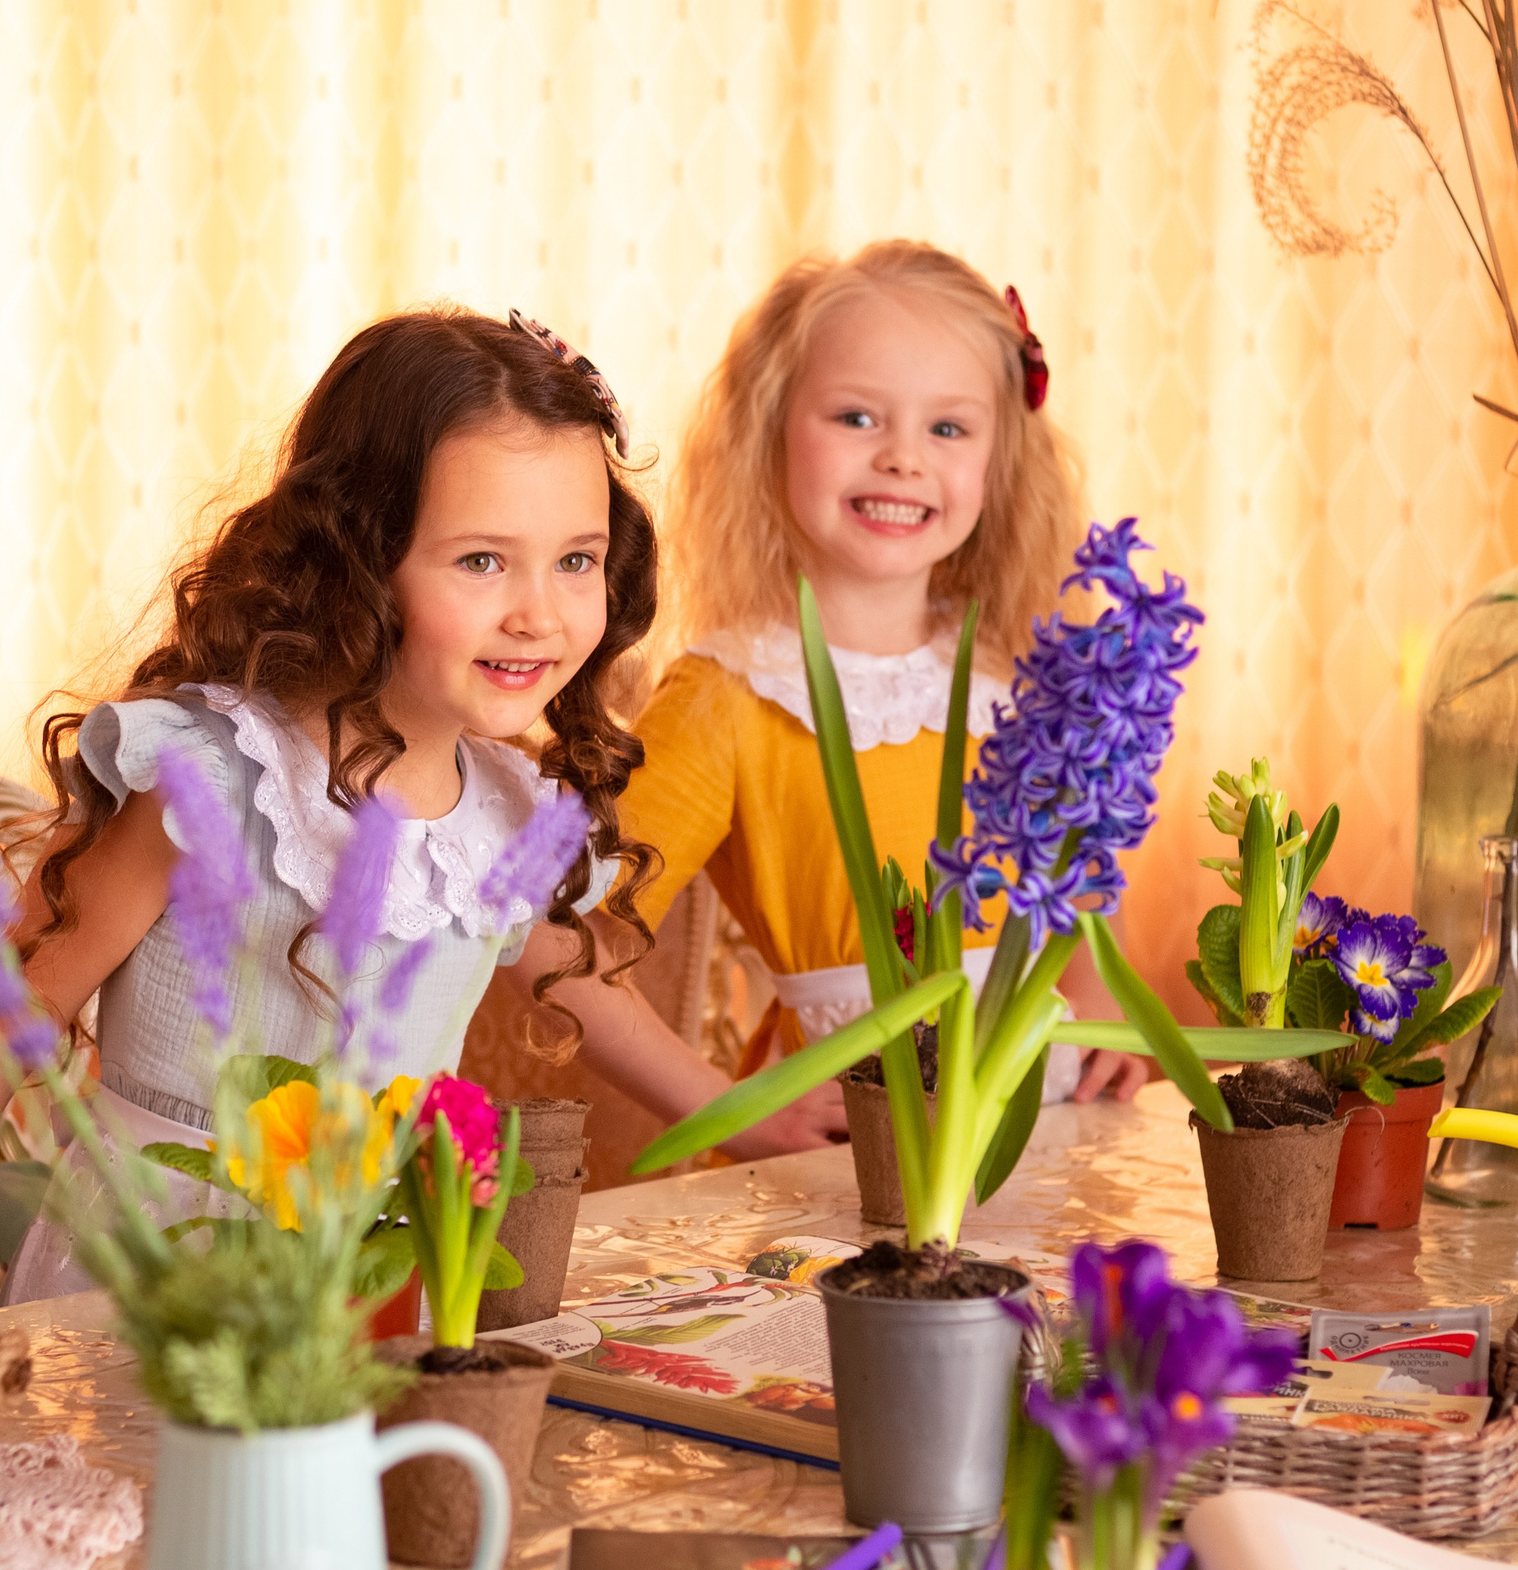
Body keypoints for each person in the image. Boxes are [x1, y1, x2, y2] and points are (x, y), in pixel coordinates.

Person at [0, 308, 684, 1278]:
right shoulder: (208, 774)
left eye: (576, 561)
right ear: (358, 554)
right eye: (481, 560)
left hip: (375, 1272)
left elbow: (585, 982)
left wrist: (754, 1111)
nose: (538, 613)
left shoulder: (511, 809)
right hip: (158, 1275)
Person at [492, 242, 1151, 1139]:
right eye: (856, 417)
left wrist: (1100, 999)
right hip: (862, 1150)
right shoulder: (731, 695)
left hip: (1058, 1126)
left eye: (948, 429)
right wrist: (734, 1109)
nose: (904, 460)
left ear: (1002, 460)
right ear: (771, 432)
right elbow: (544, 933)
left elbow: (1074, 908)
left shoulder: (1026, 670)